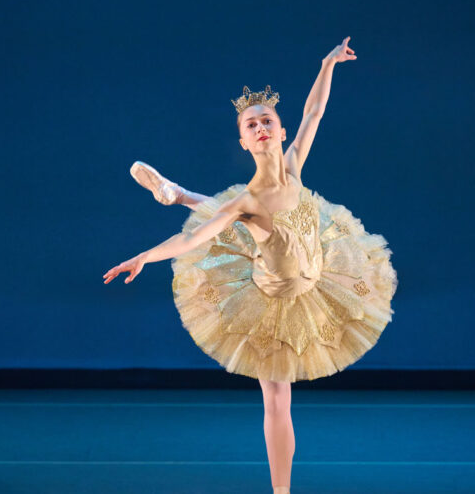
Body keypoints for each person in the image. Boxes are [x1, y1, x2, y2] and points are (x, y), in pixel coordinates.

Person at [104, 37, 397, 494]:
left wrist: (327, 63)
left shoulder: (295, 165)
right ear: (243, 142)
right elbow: (193, 237)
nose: (261, 127)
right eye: (251, 124)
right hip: (272, 296)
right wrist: (146, 255)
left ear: (280, 132)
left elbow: (314, 112)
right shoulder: (247, 199)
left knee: (246, 232)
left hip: (319, 276)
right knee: (278, 399)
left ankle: (177, 193)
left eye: (267, 121)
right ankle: (281, 493)